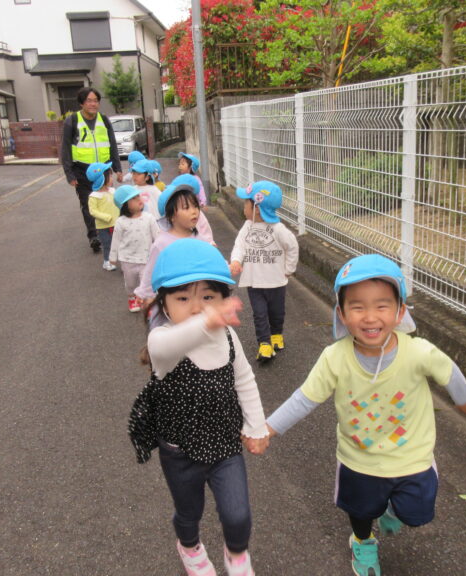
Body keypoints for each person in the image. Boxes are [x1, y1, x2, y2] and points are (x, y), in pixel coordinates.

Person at [265, 254, 466, 576]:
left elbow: (447, 370)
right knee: (360, 511)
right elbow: (304, 399)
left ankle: (392, 508)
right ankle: (362, 543)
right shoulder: (334, 358)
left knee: (417, 514)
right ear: (341, 313)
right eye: (357, 306)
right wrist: (268, 429)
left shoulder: (416, 352)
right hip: (358, 458)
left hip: (412, 457)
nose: (370, 317)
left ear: (400, 310)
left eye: (381, 305)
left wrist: (465, 400)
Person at [128, 238, 269, 576]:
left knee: (238, 514)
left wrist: (256, 425)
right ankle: (189, 547)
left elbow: (244, 379)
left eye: (208, 297)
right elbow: (175, 340)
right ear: (163, 303)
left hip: (224, 444)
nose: (196, 307)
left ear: (223, 298)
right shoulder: (163, 341)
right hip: (179, 451)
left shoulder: (229, 338)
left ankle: (237, 555)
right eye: (182, 298)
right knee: (189, 511)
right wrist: (207, 321)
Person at [229, 181, 299, 363]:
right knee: (259, 314)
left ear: (257, 208)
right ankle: (264, 343)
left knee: (277, 312)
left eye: (246, 203)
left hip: (276, 281)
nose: (244, 206)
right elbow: (240, 245)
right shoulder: (247, 227)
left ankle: (276, 334)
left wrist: (289, 269)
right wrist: (236, 260)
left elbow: (292, 247)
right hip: (254, 282)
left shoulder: (278, 229)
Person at [134, 175, 214, 305]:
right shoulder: (161, 243)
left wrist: (225, 266)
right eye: (186, 208)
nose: (194, 212)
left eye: (195, 206)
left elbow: (210, 260)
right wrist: (144, 293)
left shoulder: (198, 237)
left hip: (197, 295)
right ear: (171, 216)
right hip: (172, 298)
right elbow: (150, 271)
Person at [60, 87, 122, 252]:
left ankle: (111, 232)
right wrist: (69, 174)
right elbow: (65, 149)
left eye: (96, 101)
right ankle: (94, 236)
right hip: (82, 170)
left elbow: (112, 144)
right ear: (81, 103)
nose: (93, 104)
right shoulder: (72, 121)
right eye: (89, 100)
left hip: (103, 169)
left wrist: (117, 168)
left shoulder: (104, 120)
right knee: (88, 204)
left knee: (108, 201)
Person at [109, 184, 160, 312]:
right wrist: (112, 257)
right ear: (124, 205)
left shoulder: (149, 218)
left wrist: (162, 251)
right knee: (130, 284)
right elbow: (116, 240)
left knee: (146, 284)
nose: (139, 199)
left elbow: (158, 237)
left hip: (146, 259)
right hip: (127, 260)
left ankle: (148, 304)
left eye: (138, 196)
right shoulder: (121, 222)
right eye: (134, 198)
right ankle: (132, 297)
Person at [86, 162, 119, 271]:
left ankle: (119, 260)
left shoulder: (113, 191)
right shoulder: (94, 196)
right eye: (109, 176)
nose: (111, 178)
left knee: (119, 242)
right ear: (101, 179)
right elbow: (93, 211)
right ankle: (107, 261)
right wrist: (106, 217)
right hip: (103, 226)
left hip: (117, 223)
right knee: (107, 244)